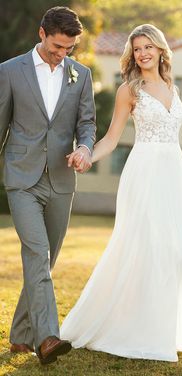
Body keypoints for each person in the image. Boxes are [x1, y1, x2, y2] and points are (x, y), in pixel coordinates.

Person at [61, 24, 182, 362]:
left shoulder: (171, 86)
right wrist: (86, 154)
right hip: (145, 172)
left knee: (181, 253)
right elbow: (112, 139)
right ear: (133, 54)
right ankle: (141, 332)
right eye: (137, 48)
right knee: (147, 249)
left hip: (175, 174)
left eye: (148, 47)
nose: (142, 53)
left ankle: (166, 326)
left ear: (159, 50)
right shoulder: (130, 90)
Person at [0, 6, 96, 365]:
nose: (62, 54)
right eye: (57, 46)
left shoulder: (81, 75)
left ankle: (21, 336)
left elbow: (86, 122)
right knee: (37, 253)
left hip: (61, 179)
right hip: (22, 179)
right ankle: (47, 338)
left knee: (46, 260)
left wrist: (85, 147)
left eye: (68, 49)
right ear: (42, 34)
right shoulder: (9, 72)